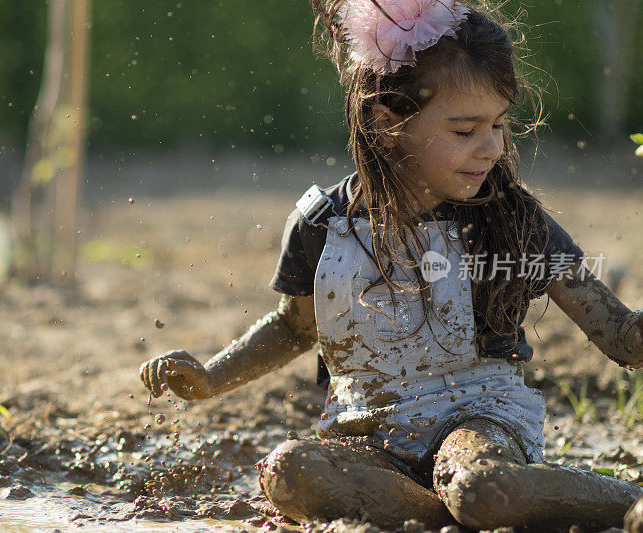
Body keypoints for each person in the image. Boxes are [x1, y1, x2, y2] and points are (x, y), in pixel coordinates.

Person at [139, 0, 643, 529]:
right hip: (366, 433)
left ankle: (622, 502)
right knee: (291, 471)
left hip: (478, 421)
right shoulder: (321, 225)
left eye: (498, 124)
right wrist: (210, 378)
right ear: (385, 122)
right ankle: (447, 513)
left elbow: (620, 336)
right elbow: (294, 327)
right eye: (465, 131)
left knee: (478, 484)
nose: (492, 148)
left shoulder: (512, 221)